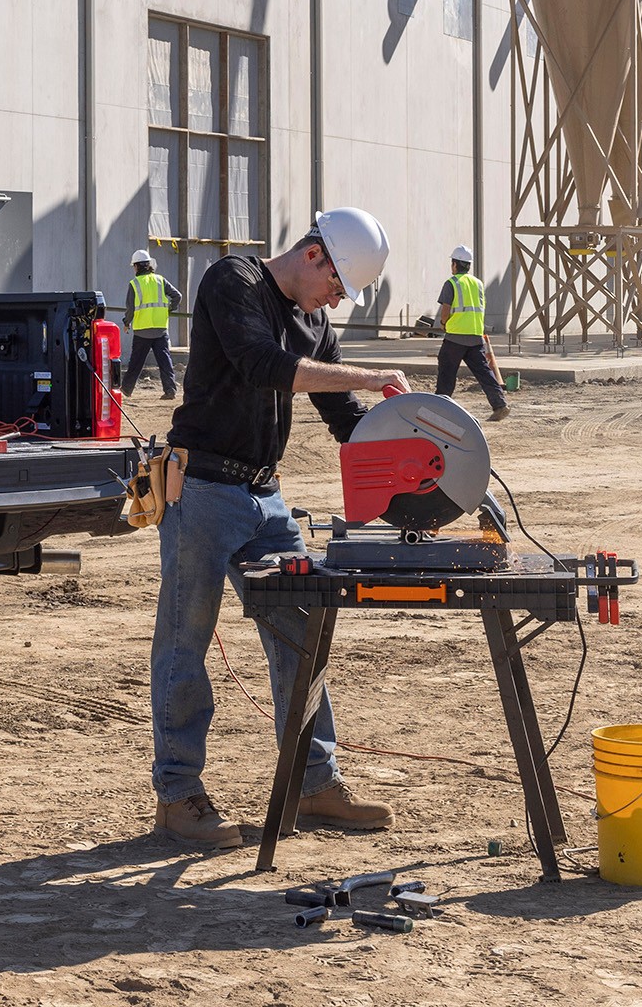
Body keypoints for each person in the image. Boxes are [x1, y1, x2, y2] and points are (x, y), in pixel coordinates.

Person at [151, 208, 408, 848]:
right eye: (337, 287)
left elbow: (345, 419)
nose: (335, 302)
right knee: (187, 641)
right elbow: (263, 364)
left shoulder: (316, 323)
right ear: (314, 253)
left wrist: (414, 466)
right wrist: (374, 374)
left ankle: (314, 785)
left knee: (302, 633)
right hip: (202, 489)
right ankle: (178, 797)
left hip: (265, 497)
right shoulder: (231, 281)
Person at [435, 244, 510, 421]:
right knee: (484, 373)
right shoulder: (478, 284)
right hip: (475, 337)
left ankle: (438, 409)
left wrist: (443, 323)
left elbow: (446, 310)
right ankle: (499, 405)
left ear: (455, 264)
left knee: (446, 373)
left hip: (455, 338)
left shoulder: (451, 283)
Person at [122, 250, 182, 399]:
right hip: (161, 328)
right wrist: (169, 308)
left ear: (136, 266)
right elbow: (177, 296)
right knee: (164, 361)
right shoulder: (160, 280)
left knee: (136, 362)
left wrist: (126, 322)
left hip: (142, 330)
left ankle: (127, 389)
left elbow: (130, 308)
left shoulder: (134, 284)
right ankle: (170, 390)